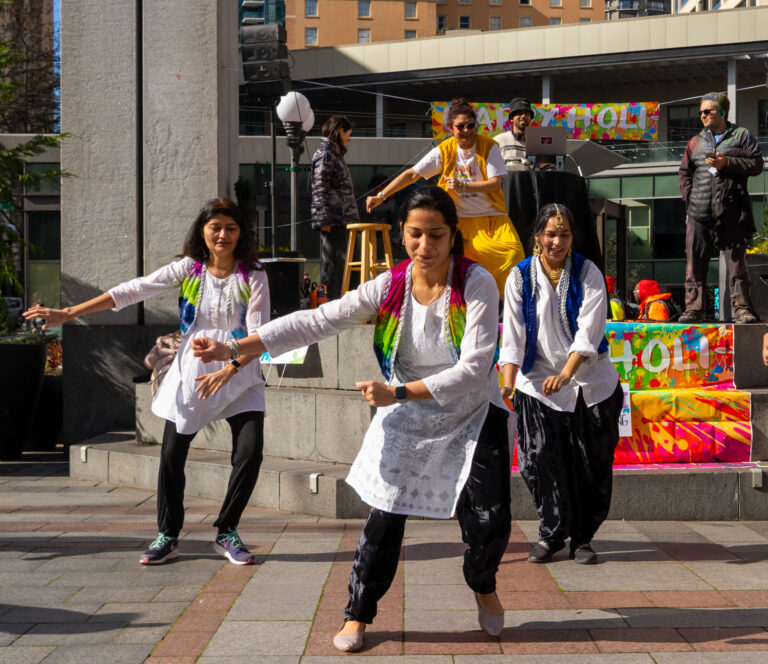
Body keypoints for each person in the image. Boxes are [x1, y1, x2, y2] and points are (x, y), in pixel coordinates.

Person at [193, 186, 512, 652]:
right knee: (384, 517)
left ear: (453, 235)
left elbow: (474, 367)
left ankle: (483, 584)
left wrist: (395, 392)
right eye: (416, 235)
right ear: (402, 235)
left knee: (490, 518)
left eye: (437, 236)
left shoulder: (476, 282)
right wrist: (238, 348)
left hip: (471, 411)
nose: (426, 247)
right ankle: (357, 613)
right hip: (406, 411)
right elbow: (317, 320)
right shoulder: (390, 284)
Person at [23, 198, 269, 567]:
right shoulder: (190, 269)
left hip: (240, 373)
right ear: (203, 231)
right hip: (193, 373)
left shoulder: (254, 276)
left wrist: (230, 367)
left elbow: (260, 336)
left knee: (249, 452)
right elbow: (133, 289)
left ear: (241, 232)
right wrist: (70, 312)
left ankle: (227, 530)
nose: (222, 235)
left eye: (230, 228)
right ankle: (168, 535)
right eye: (215, 227)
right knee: (172, 456)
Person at [500, 203, 622, 566]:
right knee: (538, 460)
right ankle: (551, 532)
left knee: (592, 463)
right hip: (537, 384)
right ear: (537, 237)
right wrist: (507, 384)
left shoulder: (588, 274)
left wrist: (567, 374)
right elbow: (513, 338)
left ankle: (582, 538)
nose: (557, 241)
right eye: (550, 234)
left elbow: (589, 333)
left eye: (564, 234)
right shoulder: (519, 277)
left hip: (590, 383)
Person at [365, 98, 524, 297]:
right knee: (462, 264)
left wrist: (463, 185)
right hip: (460, 222)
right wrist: (381, 195)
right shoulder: (445, 150)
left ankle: (506, 306)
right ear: (451, 128)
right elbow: (412, 174)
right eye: (460, 126)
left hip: (493, 219)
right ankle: (460, 303)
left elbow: (495, 183)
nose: (466, 130)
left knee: (514, 256)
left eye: (470, 125)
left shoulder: (489, 146)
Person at [678, 92, 763, 324]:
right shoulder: (695, 142)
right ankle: (694, 309)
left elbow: (757, 163)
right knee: (694, 264)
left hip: (731, 211)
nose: (702, 115)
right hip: (699, 212)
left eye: (708, 111)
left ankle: (742, 309)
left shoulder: (741, 136)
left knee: (737, 264)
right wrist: (690, 196)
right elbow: (684, 173)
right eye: (701, 112)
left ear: (722, 112)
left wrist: (728, 162)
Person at [311, 114, 359, 300]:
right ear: (340, 131)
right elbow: (319, 186)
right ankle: (328, 308)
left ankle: (345, 307)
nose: (349, 138)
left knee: (344, 265)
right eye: (348, 133)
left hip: (342, 220)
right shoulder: (326, 154)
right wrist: (323, 219)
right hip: (334, 221)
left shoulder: (333, 153)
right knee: (332, 266)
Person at [494, 97, 534, 171]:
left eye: (527, 113)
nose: (523, 116)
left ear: (531, 118)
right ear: (511, 118)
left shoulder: (536, 140)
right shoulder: (498, 140)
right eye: (519, 113)